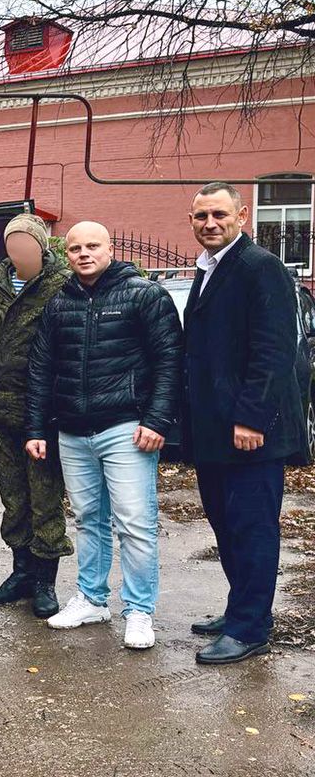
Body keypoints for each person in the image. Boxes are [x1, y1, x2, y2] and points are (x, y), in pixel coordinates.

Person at [26, 221, 182, 649]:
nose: (83, 254)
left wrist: (157, 421)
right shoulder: (59, 303)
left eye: (92, 245)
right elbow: (41, 370)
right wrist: (37, 428)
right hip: (73, 432)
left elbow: (170, 361)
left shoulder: (144, 295)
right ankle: (92, 599)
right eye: (74, 247)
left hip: (125, 429)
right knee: (88, 521)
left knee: (135, 524)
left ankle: (139, 612)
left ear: (110, 248)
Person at [183, 182, 305, 665]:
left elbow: (274, 351)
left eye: (219, 214)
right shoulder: (209, 268)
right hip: (215, 430)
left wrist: (252, 417)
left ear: (242, 215)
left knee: (252, 528)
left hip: (252, 432)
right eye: (201, 217)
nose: (210, 223)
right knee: (226, 524)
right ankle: (243, 609)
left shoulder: (261, 268)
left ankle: (250, 627)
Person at [0, 214, 73, 619]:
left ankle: (45, 583)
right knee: (13, 499)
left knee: (44, 500)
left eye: (26, 245)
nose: (19, 252)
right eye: (12, 245)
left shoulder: (62, 286)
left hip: (42, 415)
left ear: (42, 247)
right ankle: (21, 573)